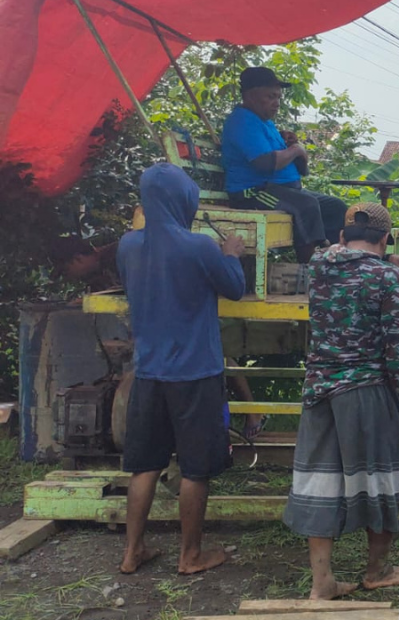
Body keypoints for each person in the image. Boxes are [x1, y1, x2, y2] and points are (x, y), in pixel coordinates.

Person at [283, 202, 399, 600]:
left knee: (321, 481)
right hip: (367, 390)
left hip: (319, 390)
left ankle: (322, 582)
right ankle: (378, 570)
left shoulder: (319, 265)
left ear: (344, 235)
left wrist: (387, 259)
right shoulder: (388, 279)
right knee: (381, 478)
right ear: (385, 239)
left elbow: (338, 252)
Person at [116, 163, 246, 575]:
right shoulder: (200, 246)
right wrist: (233, 254)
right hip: (195, 372)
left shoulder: (127, 245)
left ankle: (132, 552)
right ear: (184, 201)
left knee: (145, 465)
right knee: (195, 468)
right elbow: (235, 289)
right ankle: (190, 555)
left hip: (149, 372)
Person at [220, 67, 347, 261]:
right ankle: (311, 269)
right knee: (306, 205)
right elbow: (265, 163)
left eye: (279, 97)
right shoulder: (242, 121)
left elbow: (301, 170)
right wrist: (296, 150)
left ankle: (335, 259)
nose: (277, 103)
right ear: (251, 95)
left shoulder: (265, 122)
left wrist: (291, 146)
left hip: (283, 190)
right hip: (254, 193)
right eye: (271, 96)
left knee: (335, 207)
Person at [48, 236, 119, 292]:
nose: (69, 277)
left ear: (78, 259)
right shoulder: (97, 276)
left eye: (66, 270)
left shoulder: (120, 254)